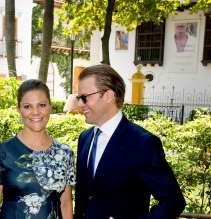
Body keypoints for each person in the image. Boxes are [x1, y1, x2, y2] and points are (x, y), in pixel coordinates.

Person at [74, 64, 186, 219]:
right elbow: (84, 196)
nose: (80, 104)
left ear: (108, 95)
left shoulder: (142, 143)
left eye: (84, 98)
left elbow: (173, 201)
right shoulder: (85, 138)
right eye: (79, 98)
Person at [0, 79, 76, 219]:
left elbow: (66, 204)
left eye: (42, 105)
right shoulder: (3, 153)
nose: (35, 112)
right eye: (27, 107)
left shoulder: (64, 153)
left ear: (50, 106)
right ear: (18, 109)